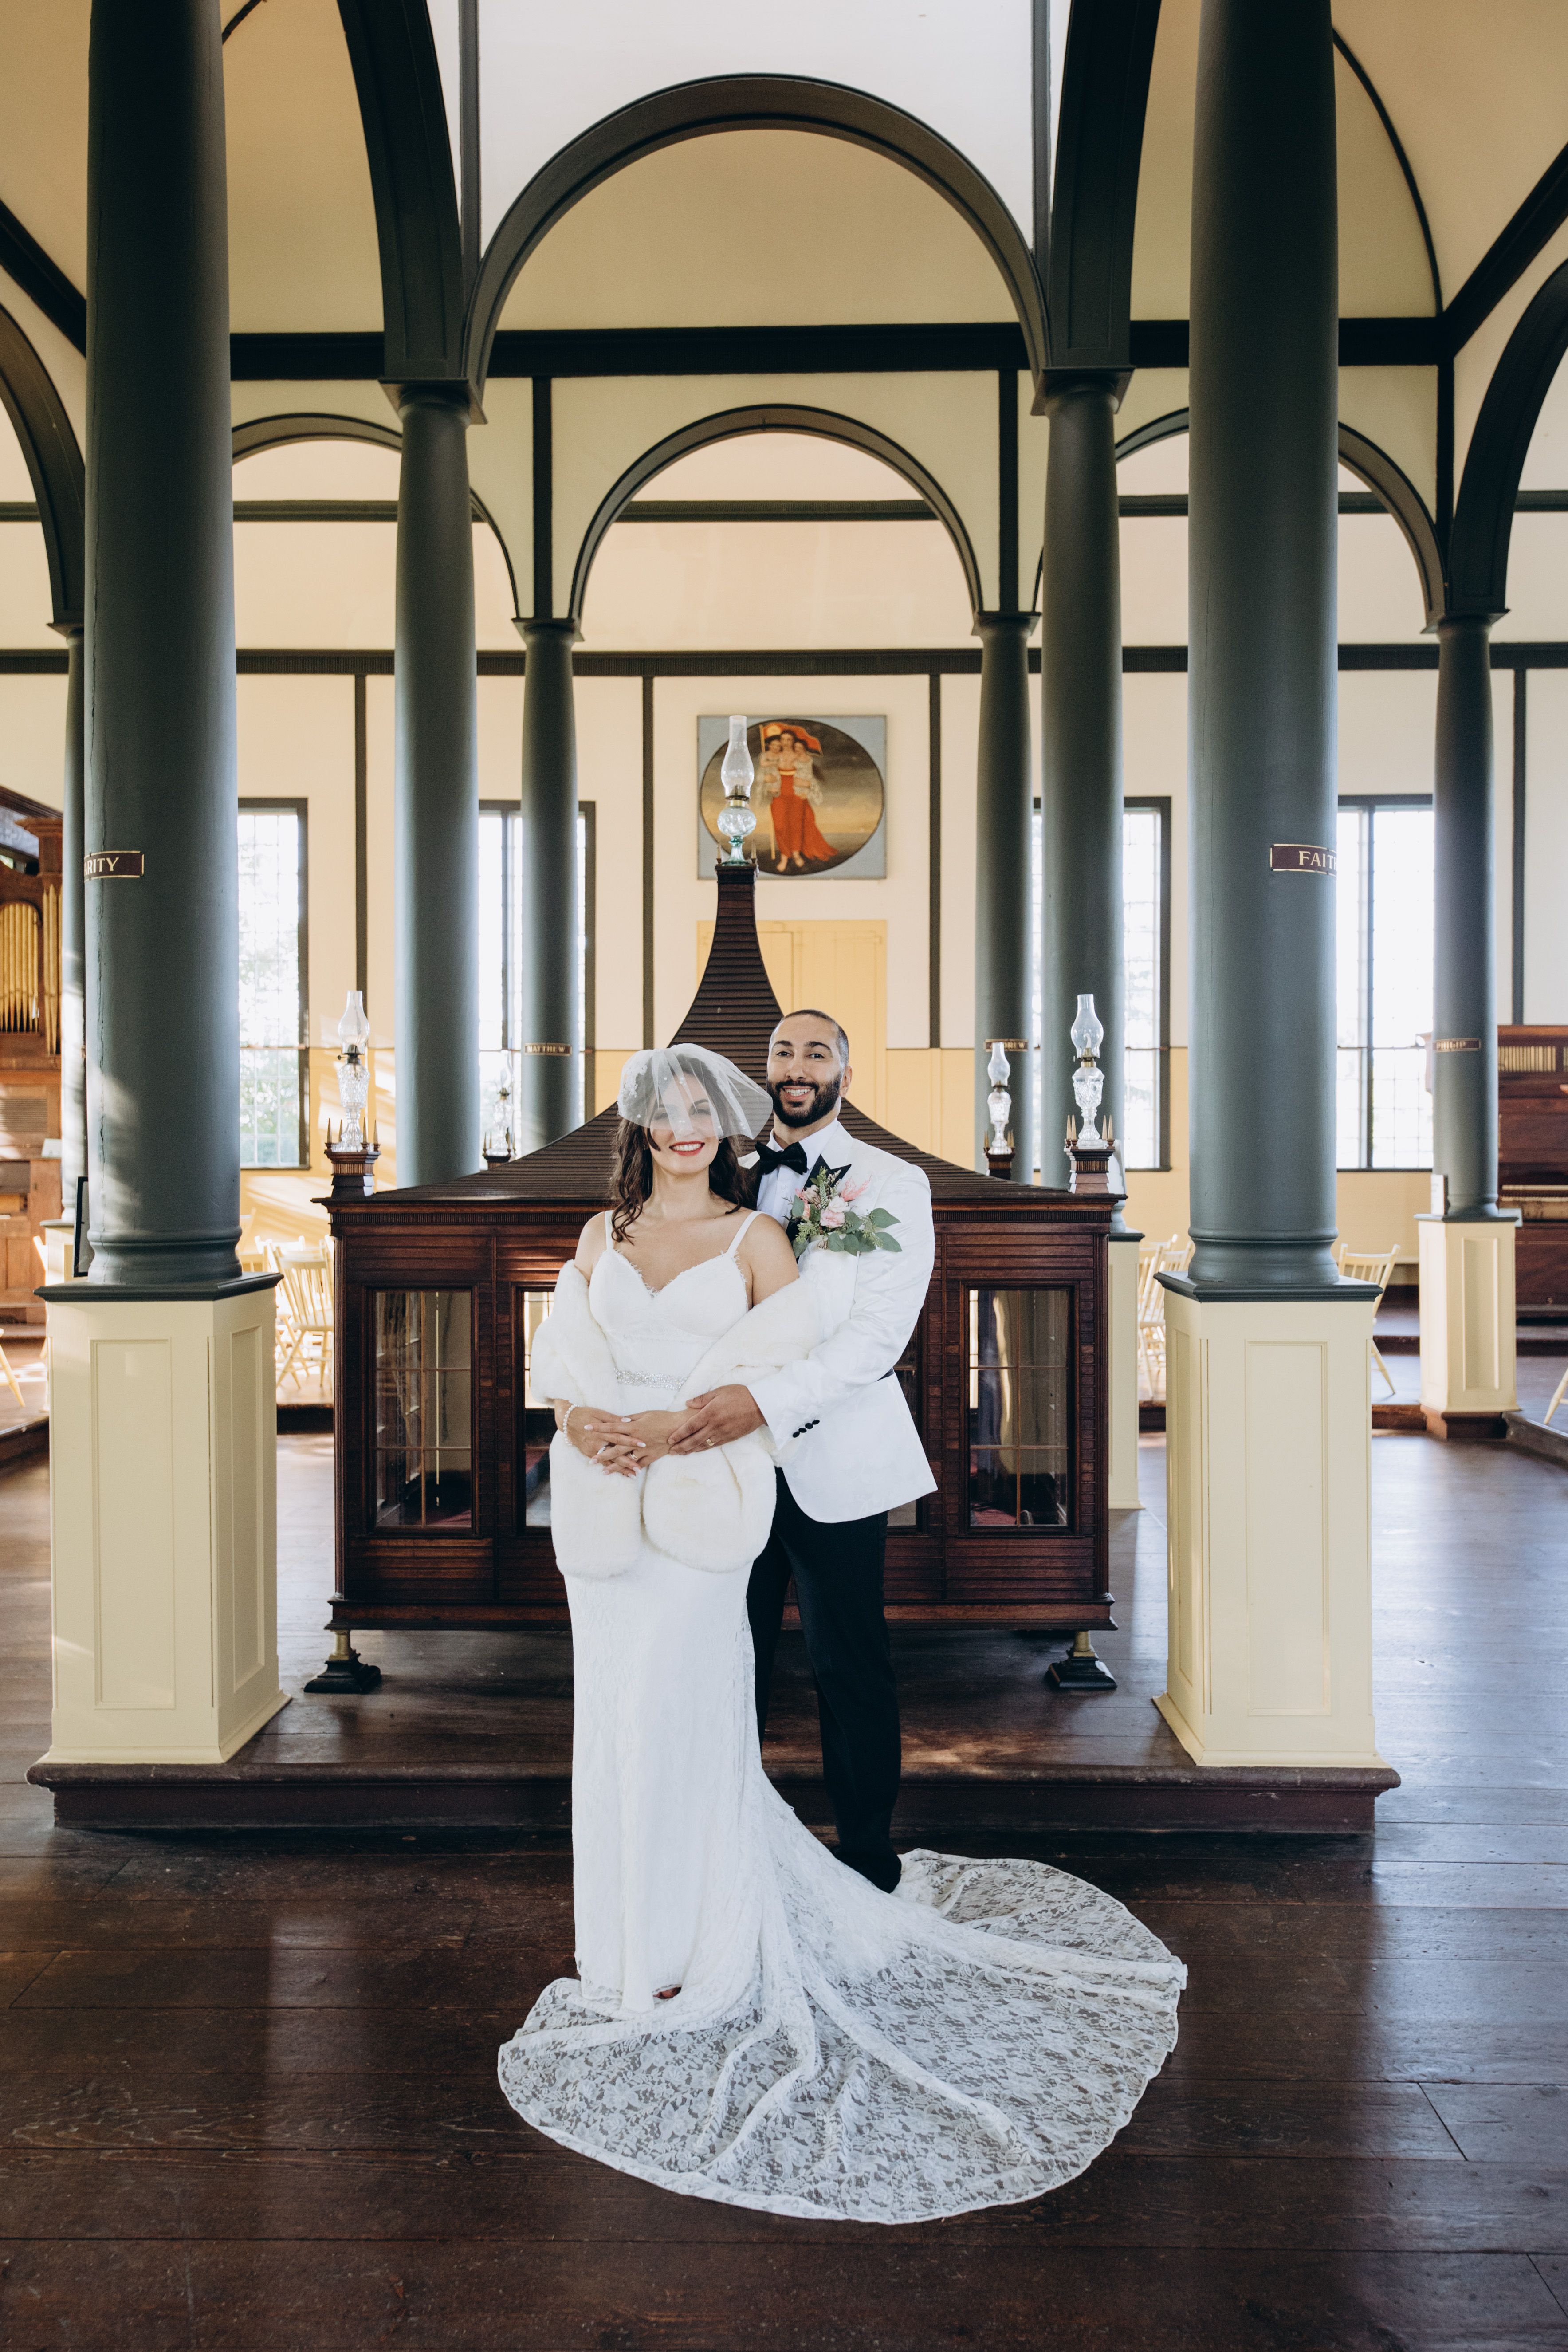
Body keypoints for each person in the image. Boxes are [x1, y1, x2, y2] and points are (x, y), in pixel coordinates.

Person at [497, 1042, 1185, 2225]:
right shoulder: (602, 1235)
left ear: (733, 1116)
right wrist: (585, 1418)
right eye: (667, 1108)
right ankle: (624, 1952)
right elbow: (563, 1356)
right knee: (613, 1719)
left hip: (721, 1487)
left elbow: (821, 1351)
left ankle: (714, 1939)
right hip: (610, 1515)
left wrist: (690, 1421)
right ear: (640, 1125)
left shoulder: (780, 1230)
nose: (686, 1124)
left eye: (703, 1106)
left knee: (715, 1700)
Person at [669, 1007, 931, 1892]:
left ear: (844, 1076)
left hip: (834, 1458)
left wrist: (762, 1404)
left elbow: (876, 1338)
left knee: (847, 1664)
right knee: (725, 1658)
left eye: (817, 1052)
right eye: (782, 1049)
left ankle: (867, 1861)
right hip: (723, 1464)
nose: (797, 1065)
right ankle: (724, 1856)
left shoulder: (891, 1182)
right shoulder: (720, 1174)